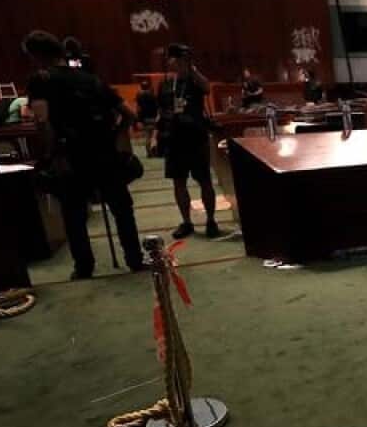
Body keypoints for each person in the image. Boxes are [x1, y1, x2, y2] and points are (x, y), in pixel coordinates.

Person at [23, 30, 144, 279]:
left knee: (74, 216)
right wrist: (114, 136)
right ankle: (135, 259)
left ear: (36, 55)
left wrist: (53, 154)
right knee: (122, 210)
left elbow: (43, 121)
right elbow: (129, 115)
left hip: (70, 157)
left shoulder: (40, 80)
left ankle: (84, 267)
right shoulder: (91, 79)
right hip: (105, 153)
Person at [157, 43, 220, 239]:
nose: (173, 62)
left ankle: (211, 220)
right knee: (178, 182)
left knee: (204, 181)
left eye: (177, 59)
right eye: (172, 59)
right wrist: (155, 136)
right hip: (174, 139)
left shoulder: (194, 80)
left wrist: (190, 68)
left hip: (195, 137)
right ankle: (187, 222)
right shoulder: (166, 84)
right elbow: (161, 111)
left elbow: (207, 87)